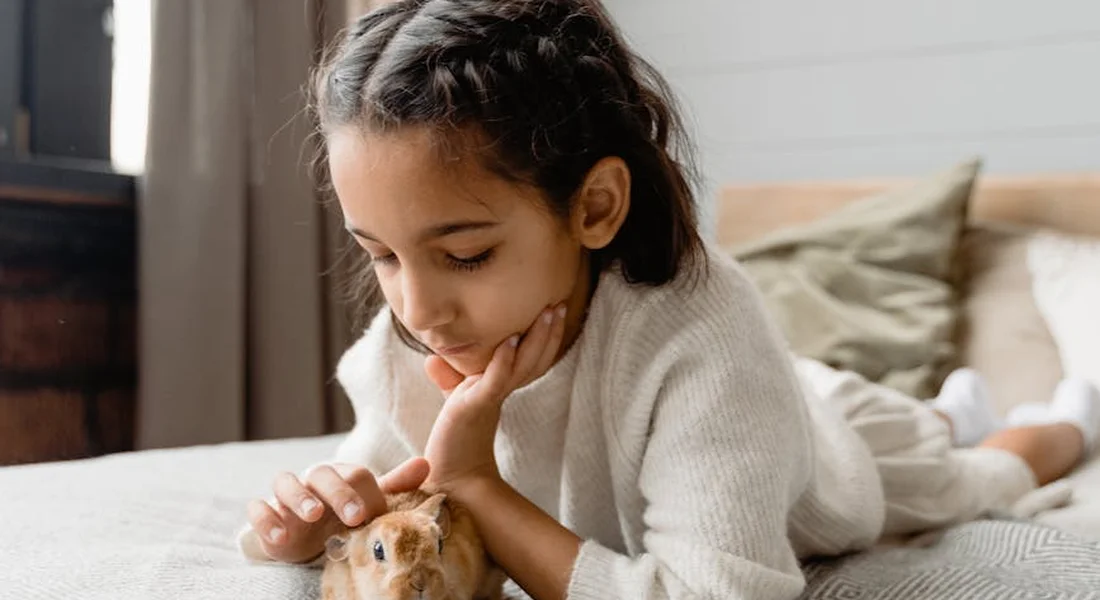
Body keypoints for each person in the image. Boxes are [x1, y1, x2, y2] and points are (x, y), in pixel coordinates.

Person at [236, 1, 1100, 598]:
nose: (418, 310)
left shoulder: (705, 333)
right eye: (381, 255)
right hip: (774, 394)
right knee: (919, 412)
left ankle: (1061, 415)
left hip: (818, 442)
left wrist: (477, 485)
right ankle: (952, 407)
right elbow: (383, 498)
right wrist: (310, 521)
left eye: (464, 255)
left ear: (597, 207)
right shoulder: (417, 331)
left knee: (968, 470)